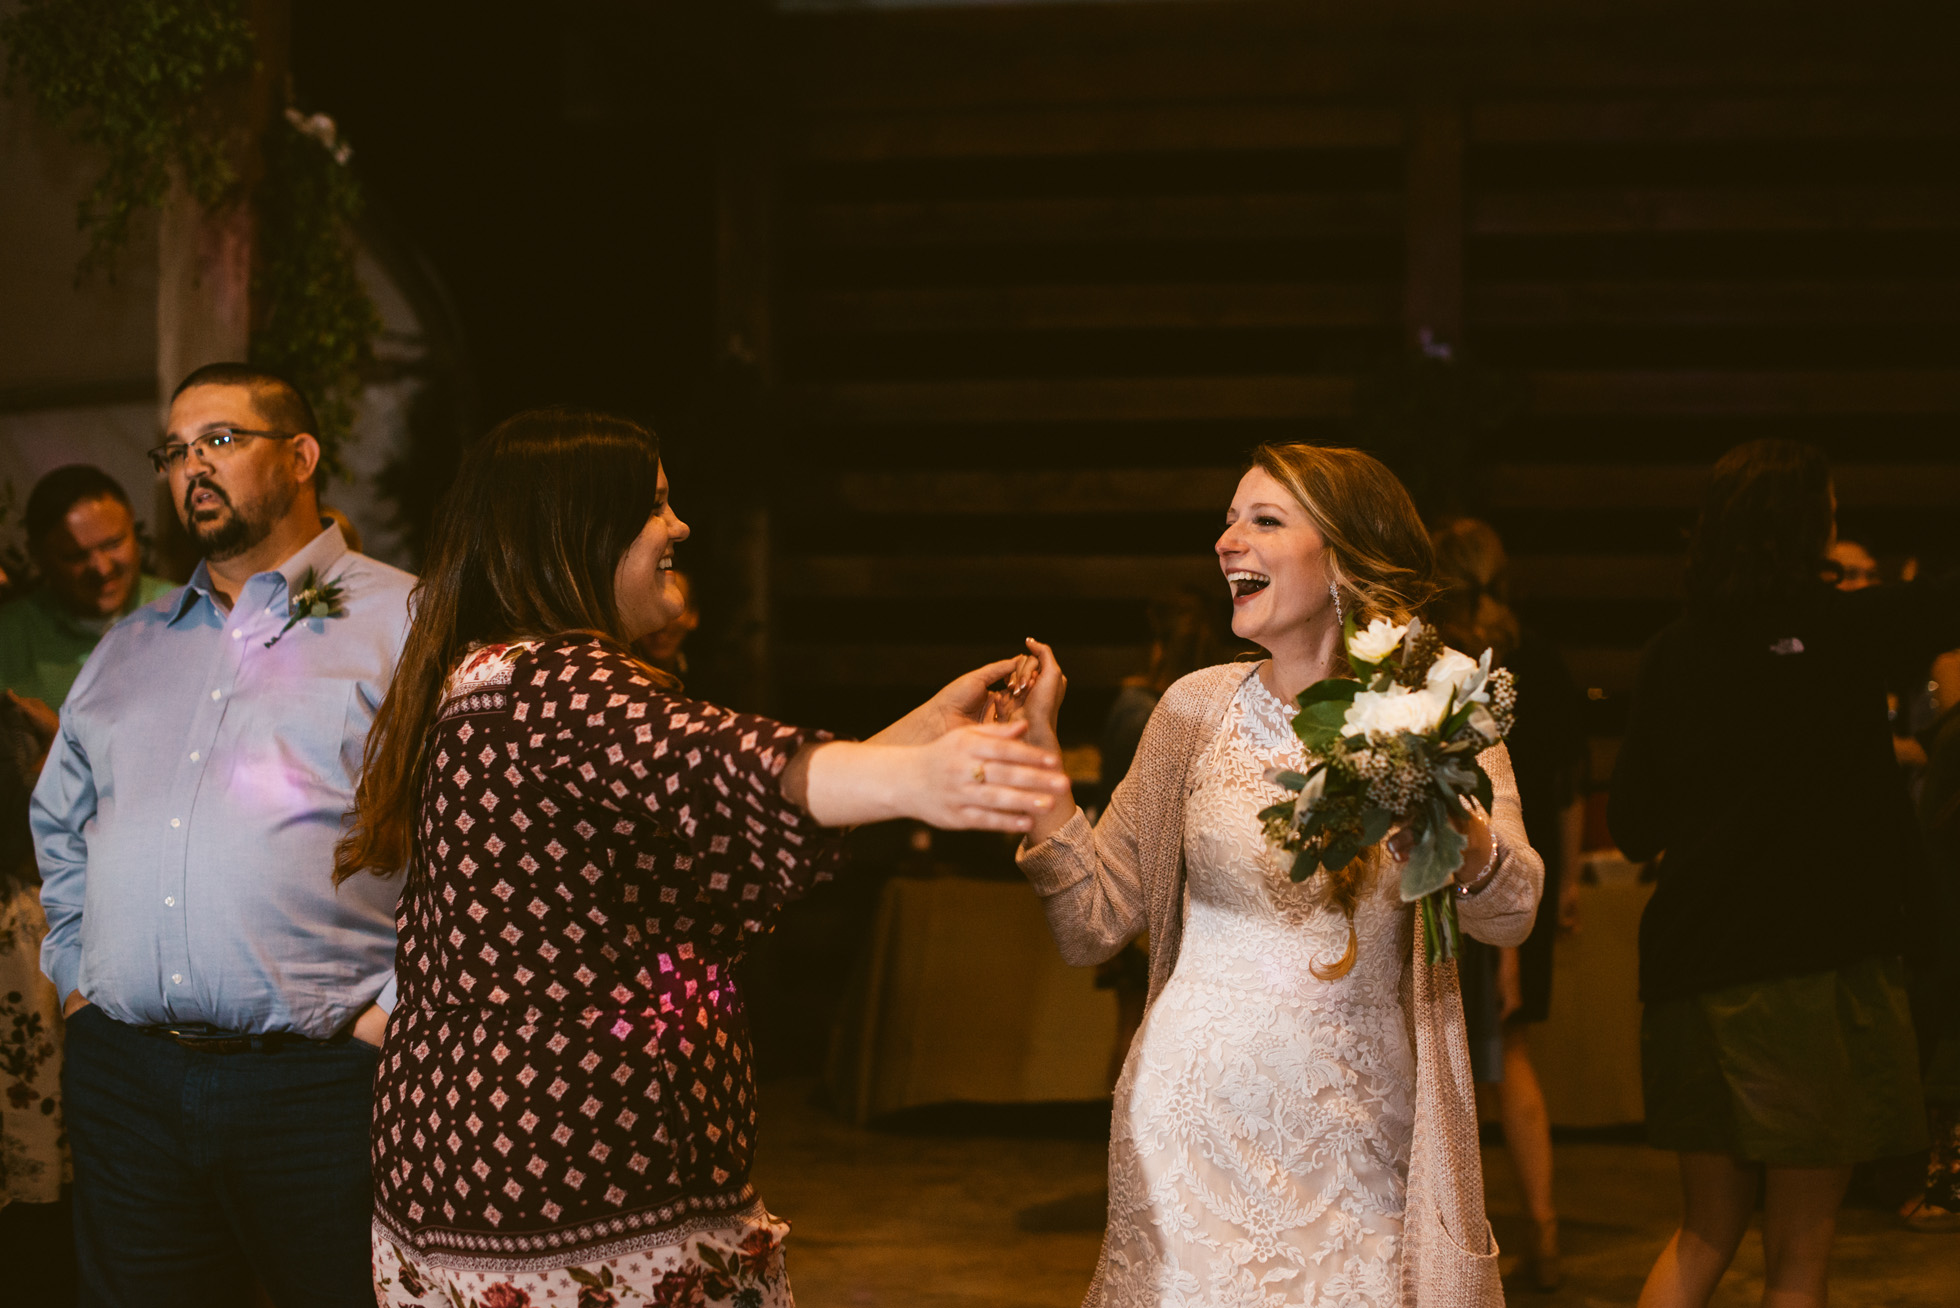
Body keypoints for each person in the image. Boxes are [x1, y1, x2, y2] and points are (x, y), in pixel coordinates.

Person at [334, 407, 1070, 1307]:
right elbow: (717, 767)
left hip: (474, 1183)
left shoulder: (490, 678)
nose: (679, 527)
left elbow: (704, 830)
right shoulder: (557, 678)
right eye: (654, 506)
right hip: (574, 1185)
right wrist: (921, 776)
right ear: (578, 531)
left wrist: (919, 733)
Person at [1008, 442, 1544, 1307]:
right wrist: (1038, 763)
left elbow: (1510, 914)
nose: (1227, 541)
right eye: (1227, 519)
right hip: (1188, 1122)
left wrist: (1452, 824)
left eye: (1263, 519)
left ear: (1344, 557)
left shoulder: (1437, 707)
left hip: (1360, 1135)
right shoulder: (1192, 709)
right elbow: (1094, 924)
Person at [33, 362, 415, 1307]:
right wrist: (79, 982)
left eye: (219, 440)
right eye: (174, 451)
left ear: (300, 455)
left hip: (320, 1085)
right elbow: (60, 821)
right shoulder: (132, 643)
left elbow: (474, 844)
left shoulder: (407, 623)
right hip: (128, 1081)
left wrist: (389, 1016)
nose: (191, 466)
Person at [1611, 438, 1960, 1308]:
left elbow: (1631, 827)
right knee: (1801, 1250)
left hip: (1694, 975)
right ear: (1813, 526)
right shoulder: (1852, 629)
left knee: (1702, 1234)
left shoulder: (1671, 652)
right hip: (1816, 979)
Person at [1429, 518, 1588, 1293]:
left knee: (1483, 1058)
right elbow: (1564, 787)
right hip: (1524, 869)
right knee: (1501, 1058)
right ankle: (1538, 1231)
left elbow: (1499, 793)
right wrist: (1571, 882)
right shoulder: (1539, 662)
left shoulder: (1441, 671)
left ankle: (1495, 1232)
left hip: (1467, 881)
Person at [0, 464, 174, 740]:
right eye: (76, 556)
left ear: (133, 524)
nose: (102, 569)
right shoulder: (9, 637)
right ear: (37, 555)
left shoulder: (190, 612)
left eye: (114, 543)